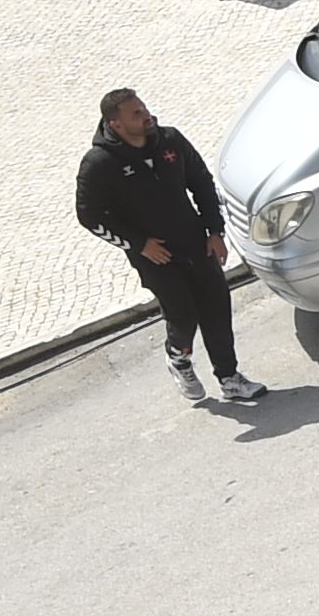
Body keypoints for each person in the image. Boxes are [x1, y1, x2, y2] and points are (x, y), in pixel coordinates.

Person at [77, 87, 261, 407]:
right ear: (116, 125)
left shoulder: (170, 141)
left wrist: (215, 231)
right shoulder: (99, 163)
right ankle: (179, 360)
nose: (146, 114)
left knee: (216, 307)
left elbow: (202, 182)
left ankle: (230, 378)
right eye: (136, 113)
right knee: (183, 315)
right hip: (155, 257)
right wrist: (138, 244)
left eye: (143, 107)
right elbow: (89, 216)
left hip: (195, 243)